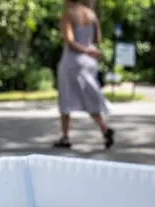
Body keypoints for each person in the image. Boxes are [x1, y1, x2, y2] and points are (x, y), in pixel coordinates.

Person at [54, 0, 115, 149]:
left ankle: (65, 136)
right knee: (88, 96)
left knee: (66, 97)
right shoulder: (91, 14)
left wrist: (84, 49)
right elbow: (97, 38)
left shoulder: (69, 14)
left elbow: (70, 41)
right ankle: (104, 128)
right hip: (89, 61)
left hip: (72, 60)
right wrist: (89, 50)